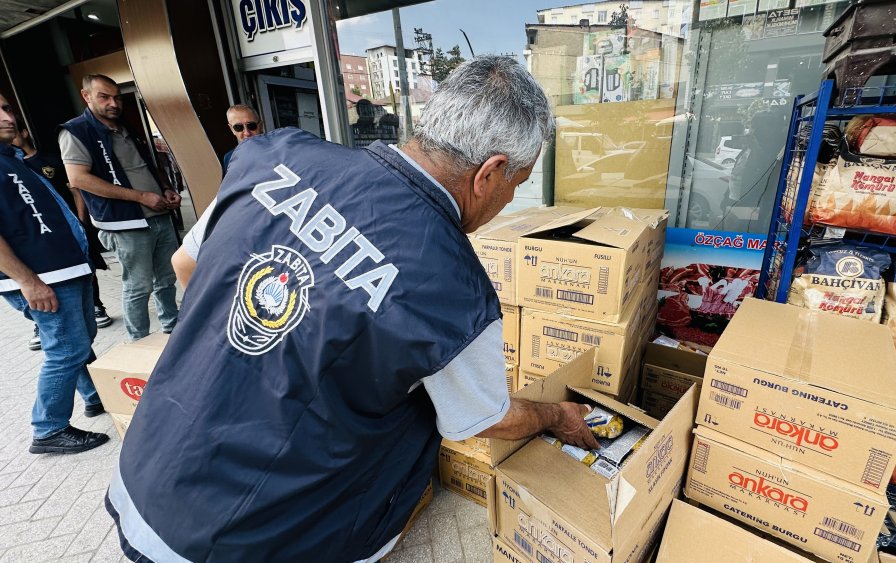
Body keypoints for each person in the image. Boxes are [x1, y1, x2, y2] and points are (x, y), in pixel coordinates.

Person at [112, 56, 597, 562]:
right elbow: (481, 417)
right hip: (255, 536)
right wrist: (555, 415)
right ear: (490, 172)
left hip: (150, 467)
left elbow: (185, 264)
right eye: (516, 184)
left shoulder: (275, 156)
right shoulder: (456, 291)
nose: (510, 198)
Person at [0, 94, 109, 454]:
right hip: (43, 277)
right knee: (66, 349)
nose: (8, 117)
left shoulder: (12, 158)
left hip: (64, 269)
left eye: (7, 108)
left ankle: (95, 396)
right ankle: (49, 428)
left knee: (79, 340)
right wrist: (28, 282)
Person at [59, 74, 181, 342]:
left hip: (159, 214)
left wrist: (166, 188)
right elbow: (78, 179)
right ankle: (139, 343)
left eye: (117, 97)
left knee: (166, 279)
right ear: (86, 96)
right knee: (138, 286)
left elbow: (147, 165)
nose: (113, 103)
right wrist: (141, 197)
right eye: (104, 97)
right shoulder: (76, 131)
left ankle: (173, 331)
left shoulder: (126, 126)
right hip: (125, 223)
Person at [13, 127, 113, 351]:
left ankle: (96, 305)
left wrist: (80, 222)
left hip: (68, 229)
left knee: (86, 267)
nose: (7, 123)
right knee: (68, 349)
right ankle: (41, 325)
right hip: (39, 241)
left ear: (25, 132)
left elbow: (75, 191)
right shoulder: (11, 166)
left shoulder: (50, 161)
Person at [222, 104, 262, 174]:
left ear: (260, 126)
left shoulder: (278, 149)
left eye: (251, 126)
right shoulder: (230, 158)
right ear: (231, 129)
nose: (247, 133)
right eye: (238, 127)